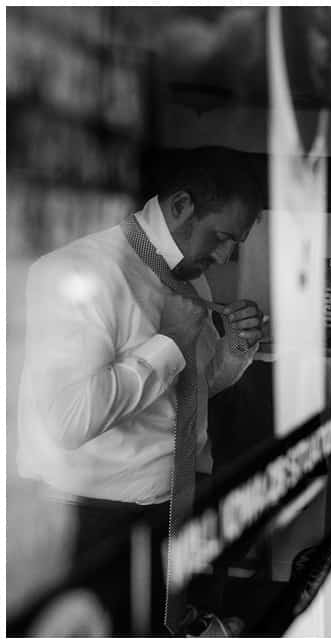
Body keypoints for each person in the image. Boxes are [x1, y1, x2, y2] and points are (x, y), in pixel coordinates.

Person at [17, 146, 267, 634]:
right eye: (219, 238)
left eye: (232, 245)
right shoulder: (79, 273)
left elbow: (190, 392)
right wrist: (168, 342)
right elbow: (67, 421)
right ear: (179, 206)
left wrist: (236, 349)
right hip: (95, 525)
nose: (222, 257)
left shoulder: (191, 282)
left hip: (176, 507)